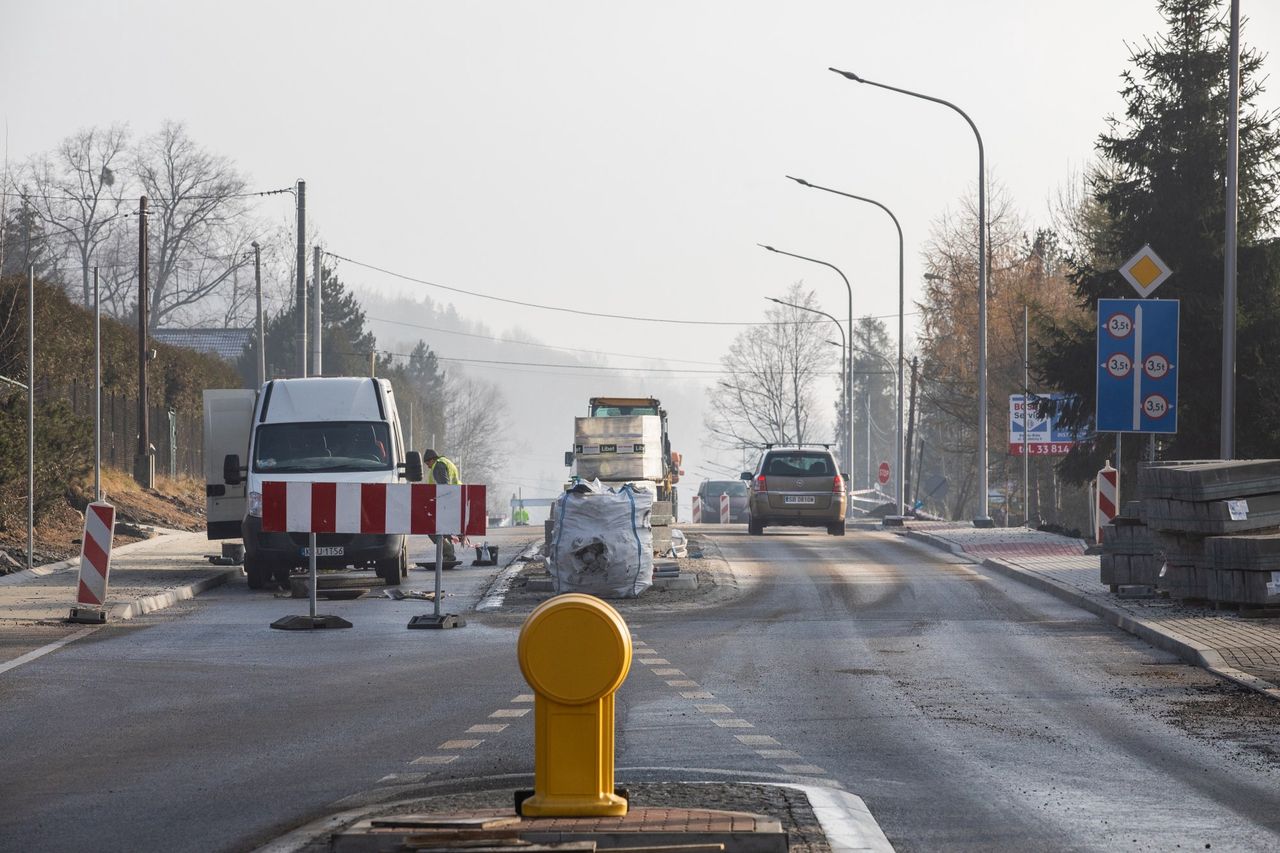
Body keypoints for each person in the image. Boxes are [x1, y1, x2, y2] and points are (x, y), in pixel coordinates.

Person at [423, 449, 461, 562]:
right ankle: (449, 555)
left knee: (431, 528)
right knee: (444, 529)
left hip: (444, 502)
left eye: (427, 463)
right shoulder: (445, 462)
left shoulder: (438, 466)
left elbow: (444, 486)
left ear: (432, 459)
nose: (428, 467)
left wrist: (440, 503)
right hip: (451, 500)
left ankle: (448, 554)